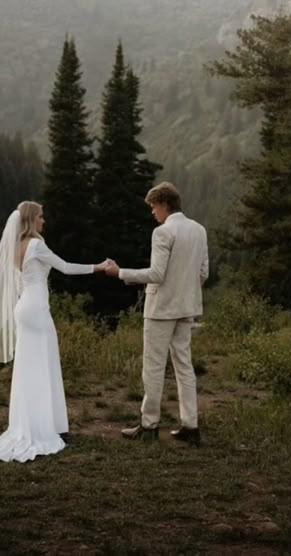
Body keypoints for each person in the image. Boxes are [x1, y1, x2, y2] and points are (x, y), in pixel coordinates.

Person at [0, 201, 108, 462]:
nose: (44, 221)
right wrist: (98, 267)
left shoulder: (14, 247)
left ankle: (32, 424)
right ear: (32, 219)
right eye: (41, 217)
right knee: (45, 364)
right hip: (36, 309)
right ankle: (47, 427)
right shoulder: (36, 245)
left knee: (28, 368)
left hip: (23, 309)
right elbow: (66, 267)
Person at [105, 182, 209, 445]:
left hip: (161, 309)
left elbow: (156, 274)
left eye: (153, 207)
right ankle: (191, 426)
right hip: (187, 307)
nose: (153, 212)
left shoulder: (162, 232)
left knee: (153, 367)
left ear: (164, 204)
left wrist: (121, 273)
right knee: (184, 367)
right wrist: (184, 290)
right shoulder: (199, 230)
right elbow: (203, 273)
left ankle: (149, 425)